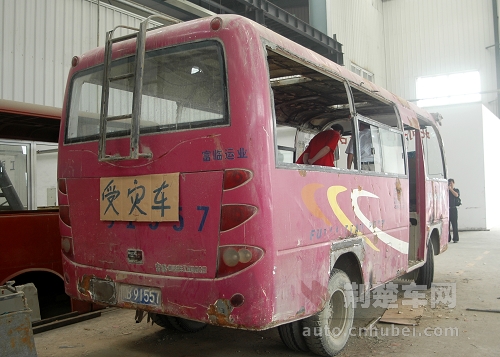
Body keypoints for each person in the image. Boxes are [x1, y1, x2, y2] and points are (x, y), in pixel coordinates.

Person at [448, 178, 460, 243]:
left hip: (453, 209)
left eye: (451, 183)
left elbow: (456, 195)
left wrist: (451, 189)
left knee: (454, 224)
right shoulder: (446, 191)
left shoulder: (456, 190)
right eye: (449, 183)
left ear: (453, 183)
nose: (450, 184)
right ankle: (448, 238)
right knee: (447, 225)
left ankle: (455, 238)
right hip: (447, 209)